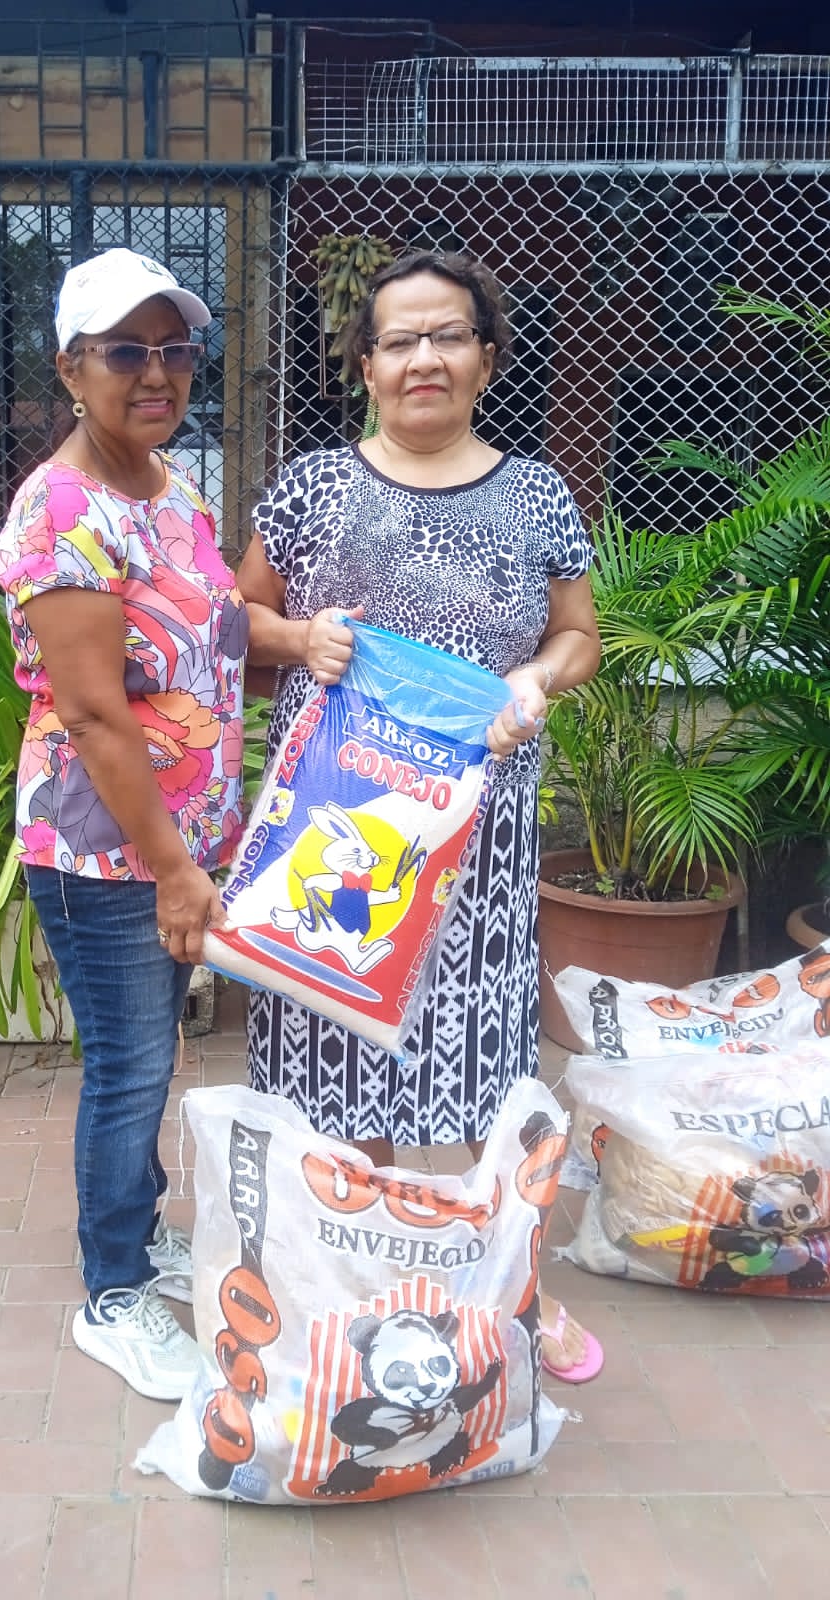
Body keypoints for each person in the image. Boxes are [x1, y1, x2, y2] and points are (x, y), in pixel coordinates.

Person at [237, 248, 605, 1383]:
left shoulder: (537, 495)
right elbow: (235, 621)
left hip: (480, 843)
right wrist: (300, 637)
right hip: (339, 836)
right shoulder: (309, 489)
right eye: (399, 340)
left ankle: (510, 1288)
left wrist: (536, 678)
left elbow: (579, 635)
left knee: (485, 1064)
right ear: (365, 365)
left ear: (487, 358)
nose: (424, 359)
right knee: (341, 1060)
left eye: (449, 335)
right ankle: (363, 1283)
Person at [0, 248, 247, 1400]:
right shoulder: (60, 509)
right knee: (132, 1063)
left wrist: (306, 640)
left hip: (170, 843)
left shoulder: (167, 484)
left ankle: (137, 1234)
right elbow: (95, 713)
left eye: (175, 348)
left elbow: (212, 628)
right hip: (106, 848)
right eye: (126, 351)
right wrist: (175, 870)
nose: (157, 372)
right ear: (71, 367)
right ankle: (113, 1290)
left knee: (150, 1053)